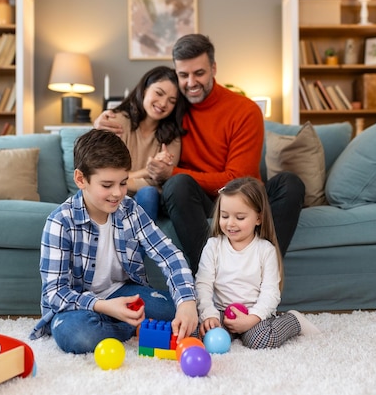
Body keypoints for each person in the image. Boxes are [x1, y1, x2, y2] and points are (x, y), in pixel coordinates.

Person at [94, 34, 305, 274]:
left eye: (199, 73)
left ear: (214, 69)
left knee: (290, 183)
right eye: (183, 75)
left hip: (242, 198)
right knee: (177, 184)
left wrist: (172, 171)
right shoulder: (173, 110)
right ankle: (209, 274)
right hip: (197, 203)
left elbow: (240, 178)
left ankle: (262, 273)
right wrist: (100, 121)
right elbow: (141, 111)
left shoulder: (244, 110)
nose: (191, 82)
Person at [30, 129, 198, 354]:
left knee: (178, 309)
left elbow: (169, 254)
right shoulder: (61, 222)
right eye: (107, 185)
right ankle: (130, 327)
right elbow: (55, 292)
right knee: (78, 336)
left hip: (122, 293)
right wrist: (105, 307)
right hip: (78, 306)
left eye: (123, 183)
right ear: (81, 179)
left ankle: (120, 324)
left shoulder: (130, 210)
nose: (118, 193)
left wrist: (186, 302)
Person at [196, 177, 320, 349]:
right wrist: (209, 315)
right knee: (199, 334)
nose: (230, 223)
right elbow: (203, 284)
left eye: (240, 217)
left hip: (252, 312)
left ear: (258, 219)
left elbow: (270, 291)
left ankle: (293, 320)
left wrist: (253, 318)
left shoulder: (265, 250)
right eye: (224, 216)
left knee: (261, 340)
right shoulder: (213, 246)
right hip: (221, 312)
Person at [101, 66, 188, 220]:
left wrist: (126, 180)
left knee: (149, 193)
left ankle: (141, 243)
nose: (162, 103)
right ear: (144, 89)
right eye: (159, 93)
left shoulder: (172, 137)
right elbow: (106, 176)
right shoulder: (117, 122)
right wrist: (147, 172)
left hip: (149, 200)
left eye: (171, 101)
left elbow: (161, 185)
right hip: (112, 197)